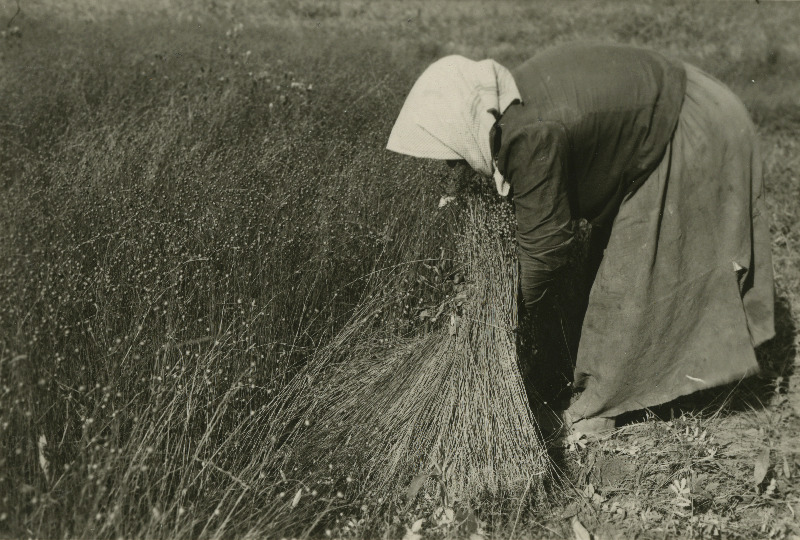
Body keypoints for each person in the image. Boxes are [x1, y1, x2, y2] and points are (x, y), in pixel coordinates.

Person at [386, 42, 775, 435]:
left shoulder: (529, 134)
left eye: (451, 152)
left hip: (689, 127)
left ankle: (596, 411)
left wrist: (505, 313)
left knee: (631, 278)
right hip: (683, 101)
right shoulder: (509, 103)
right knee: (617, 265)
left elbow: (547, 247)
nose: (452, 164)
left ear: (463, 123)